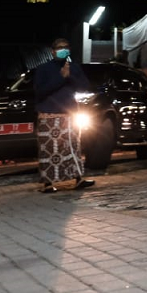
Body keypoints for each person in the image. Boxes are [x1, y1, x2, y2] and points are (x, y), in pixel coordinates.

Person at [33, 38, 96, 192]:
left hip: (69, 114)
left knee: (72, 148)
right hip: (49, 116)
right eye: (59, 47)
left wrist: (70, 76)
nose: (63, 50)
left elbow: (84, 87)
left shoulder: (74, 67)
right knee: (50, 150)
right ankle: (48, 184)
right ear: (53, 51)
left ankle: (77, 179)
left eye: (66, 47)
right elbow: (40, 91)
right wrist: (61, 77)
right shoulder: (43, 69)